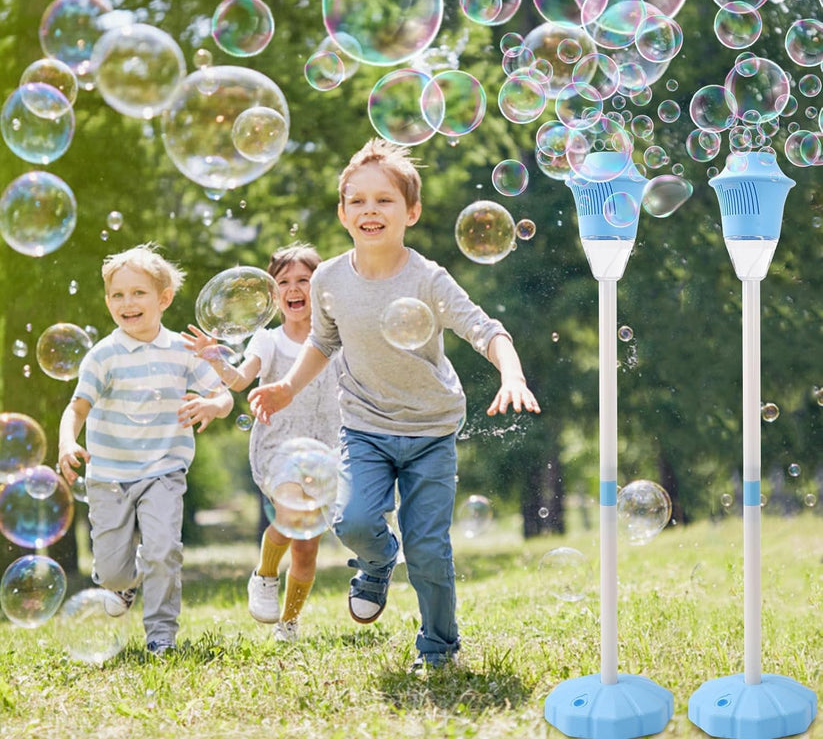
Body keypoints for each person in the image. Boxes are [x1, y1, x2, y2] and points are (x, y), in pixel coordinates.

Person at [248, 138, 540, 671]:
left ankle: (438, 647)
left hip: (431, 430)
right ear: (341, 213)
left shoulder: (428, 278)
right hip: (364, 426)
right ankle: (379, 563)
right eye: (357, 201)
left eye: (383, 200)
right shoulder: (330, 279)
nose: (370, 210)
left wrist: (512, 372)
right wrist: (287, 387)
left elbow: (484, 329)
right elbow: (322, 343)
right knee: (353, 521)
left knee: (429, 548)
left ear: (412, 211)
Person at [58, 243, 233, 656]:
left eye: (138, 293)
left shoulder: (182, 351)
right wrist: (68, 440)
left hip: (163, 470)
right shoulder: (103, 355)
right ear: (107, 301)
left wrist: (213, 404)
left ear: (164, 298)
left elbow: (223, 394)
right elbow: (76, 406)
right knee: (115, 573)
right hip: (109, 476)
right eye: (117, 295)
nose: (127, 303)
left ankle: (161, 636)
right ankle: (123, 584)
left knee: (164, 550)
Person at [183, 243, 340, 643]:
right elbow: (238, 380)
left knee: (306, 551)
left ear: (319, 287)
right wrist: (215, 358)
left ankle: (289, 624)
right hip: (279, 447)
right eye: (284, 282)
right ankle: (265, 574)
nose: (294, 288)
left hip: (328, 450)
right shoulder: (267, 341)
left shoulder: (338, 336)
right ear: (273, 296)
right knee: (290, 515)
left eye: (303, 279)